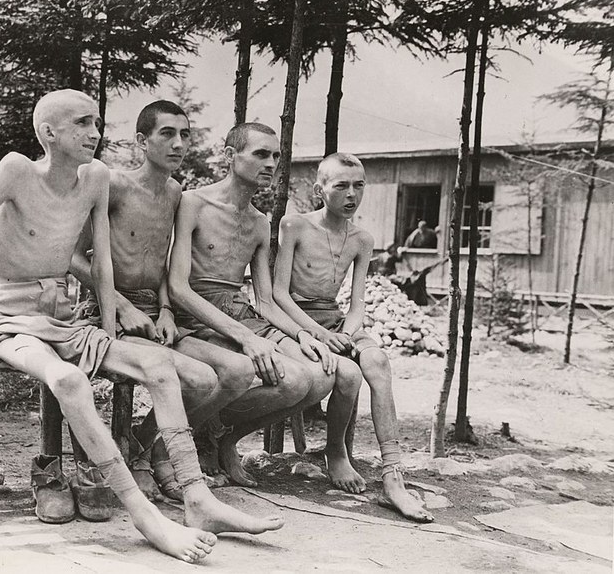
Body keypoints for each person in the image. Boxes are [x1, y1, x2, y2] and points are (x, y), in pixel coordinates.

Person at [0, 90, 284, 564]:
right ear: (48, 132)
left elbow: (101, 268)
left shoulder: (96, 177)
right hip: (7, 317)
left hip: (61, 319)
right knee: (69, 379)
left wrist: (111, 329)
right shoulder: (17, 169)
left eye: (96, 122)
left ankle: (197, 500)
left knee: (160, 365)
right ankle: (145, 517)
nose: (94, 133)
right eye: (80, 123)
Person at [70, 100, 258, 498]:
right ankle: (140, 460)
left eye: (185, 134)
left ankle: (143, 448)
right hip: (106, 310)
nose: (178, 143)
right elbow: (72, 256)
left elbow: (161, 260)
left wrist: (169, 310)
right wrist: (120, 304)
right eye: (166, 134)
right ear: (142, 141)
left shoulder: (175, 193)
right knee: (196, 377)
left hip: (157, 315)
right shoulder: (116, 184)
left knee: (236, 372)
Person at [168, 122, 362, 488]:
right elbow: (177, 288)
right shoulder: (194, 203)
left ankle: (225, 438)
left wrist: (305, 336)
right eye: (260, 154)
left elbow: (266, 300)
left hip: (242, 314)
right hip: (195, 318)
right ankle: (201, 433)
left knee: (320, 377)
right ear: (229, 156)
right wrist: (248, 339)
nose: (271, 163)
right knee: (288, 380)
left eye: (275, 155)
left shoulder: (259, 222)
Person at [272, 152, 433, 523]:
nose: (351, 194)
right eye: (341, 185)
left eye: (358, 186)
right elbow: (279, 294)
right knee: (350, 374)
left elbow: (357, 302)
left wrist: (344, 332)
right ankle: (336, 453)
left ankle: (393, 476)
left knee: (376, 361)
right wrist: (319, 334)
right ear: (320, 189)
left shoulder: (362, 239)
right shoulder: (294, 226)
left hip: (337, 319)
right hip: (298, 320)